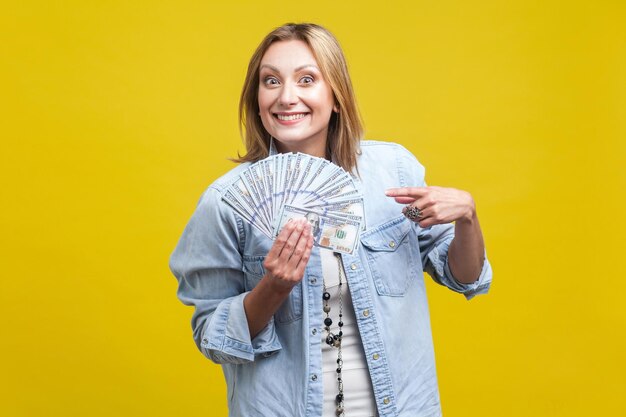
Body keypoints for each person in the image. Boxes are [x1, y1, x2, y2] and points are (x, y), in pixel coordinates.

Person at [169, 23, 492, 417]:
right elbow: (213, 337)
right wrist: (272, 288)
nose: (287, 97)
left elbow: (465, 277)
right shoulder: (227, 202)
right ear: (256, 99)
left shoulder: (394, 172)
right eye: (271, 81)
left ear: (336, 96)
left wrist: (468, 219)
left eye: (307, 79)